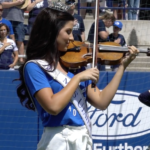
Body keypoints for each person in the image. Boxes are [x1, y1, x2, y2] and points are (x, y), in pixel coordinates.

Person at [16, 5, 139, 150]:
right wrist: (77, 78)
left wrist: (122, 67)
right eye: (68, 32)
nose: (72, 37)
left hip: (82, 138)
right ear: (51, 32)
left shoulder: (75, 65)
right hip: (57, 140)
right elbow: (53, 107)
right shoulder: (35, 67)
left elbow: (101, 101)